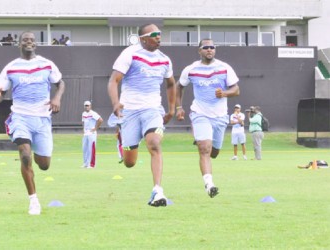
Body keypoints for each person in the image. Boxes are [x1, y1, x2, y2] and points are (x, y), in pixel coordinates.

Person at [0, 31, 65, 215]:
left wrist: (57, 98)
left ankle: (41, 161)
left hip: (42, 119)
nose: (29, 42)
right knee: (25, 155)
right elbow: (0, 93)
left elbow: (60, 83)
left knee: (44, 164)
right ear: (19, 44)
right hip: (20, 117)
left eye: (31, 40)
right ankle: (33, 201)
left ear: (35, 44)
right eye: (25, 40)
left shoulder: (47, 64)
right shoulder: (11, 68)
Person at [107, 23, 176, 207]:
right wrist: (115, 103)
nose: (158, 37)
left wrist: (171, 109)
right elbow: (113, 80)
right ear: (142, 38)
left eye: (159, 34)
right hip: (129, 111)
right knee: (130, 162)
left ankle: (157, 190)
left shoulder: (164, 60)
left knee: (154, 143)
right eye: (154, 34)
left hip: (152, 109)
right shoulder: (130, 53)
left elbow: (170, 84)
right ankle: (123, 137)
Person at [175, 38, 240, 198]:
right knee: (204, 149)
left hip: (219, 117)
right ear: (199, 51)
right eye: (206, 47)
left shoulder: (224, 68)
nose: (209, 50)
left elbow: (236, 89)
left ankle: (201, 138)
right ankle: (209, 184)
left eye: (212, 47)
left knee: (214, 152)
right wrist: (178, 107)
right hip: (200, 113)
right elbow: (179, 86)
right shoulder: (191, 69)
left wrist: (224, 93)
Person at [82, 100, 103, 168]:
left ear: (90, 106)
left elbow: (100, 120)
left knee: (91, 148)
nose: (87, 107)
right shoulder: (83, 114)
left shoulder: (93, 113)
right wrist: (83, 129)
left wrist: (95, 128)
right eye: (85, 105)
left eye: (88, 105)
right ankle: (86, 163)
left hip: (92, 133)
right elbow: (83, 122)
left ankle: (92, 164)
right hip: (86, 133)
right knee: (85, 148)